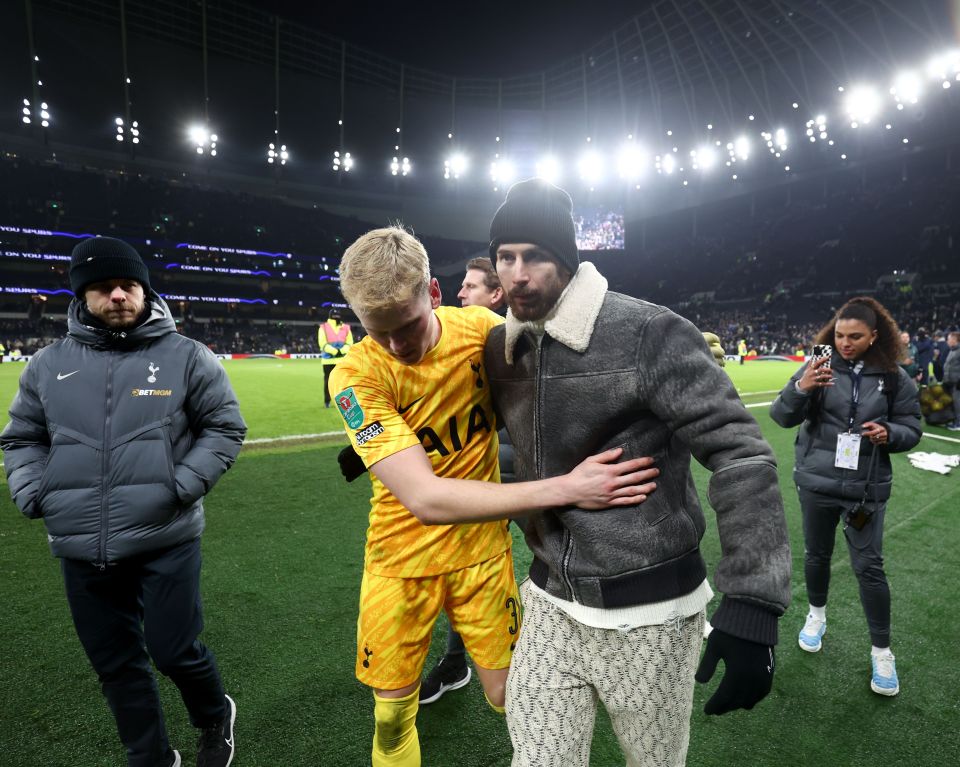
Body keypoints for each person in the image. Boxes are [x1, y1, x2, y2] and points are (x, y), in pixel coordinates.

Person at [483, 179, 791, 767]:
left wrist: (753, 601)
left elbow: (740, 453)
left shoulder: (648, 332)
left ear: (567, 261)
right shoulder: (502, 350)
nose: (517, 274)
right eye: (505, 256)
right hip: (550, 599)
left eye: (535, 256)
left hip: (650, 612)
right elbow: (504, 448)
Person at [328, 226, 658, 767]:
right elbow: (426, 499)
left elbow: (571, 367)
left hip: (481, 554)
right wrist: (568, 489)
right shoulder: (354, 376)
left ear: (434, 293)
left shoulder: (482, 332)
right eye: (376, 332)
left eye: (406, 327)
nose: (395, 347)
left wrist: (654, 357)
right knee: (390, 719)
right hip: (399, 560)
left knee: (513, 698)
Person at [1, 236, 246, 767]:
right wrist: (31, 488)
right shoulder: (47, 365)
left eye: (128, 285)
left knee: (173, 650)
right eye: (104, 287)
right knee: (115, 664)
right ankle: (151, 756)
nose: (118, 295)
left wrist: (179, 487)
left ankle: (212, 715)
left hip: (166, 535)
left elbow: (224, 427)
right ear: (81, 295)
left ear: (143, 290)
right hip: (78, 541)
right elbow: (22, 437)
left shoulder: (186, 356)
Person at [770, 296, 921, 696]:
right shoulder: (817, 367)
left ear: (875, 336)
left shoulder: (894, 378)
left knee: (869, 568)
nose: (845, 343)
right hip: (817, 482)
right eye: (839, 334)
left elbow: (912, 427)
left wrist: (891, 433)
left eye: (855, 336)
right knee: (816, 556)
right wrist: (802, 387)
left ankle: (882, 652)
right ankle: (816, 615)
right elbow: (781, 416)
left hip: (865, 488)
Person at [420, 256, 508, 705]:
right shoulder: (453, 342)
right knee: (465, 571)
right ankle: (457, 663)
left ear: (497, 295)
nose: (461, 293)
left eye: (471, 286)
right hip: (483, 487)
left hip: (530, 480)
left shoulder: (513, 342)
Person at [319, 307, 354, 407]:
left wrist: (341, 351)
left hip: (341, 360)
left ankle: (346, 403)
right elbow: (322, 343)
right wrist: (336, 351)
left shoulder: (346, 327)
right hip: (328, 361)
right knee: (328, 382)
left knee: (344, 382)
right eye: (335, 316)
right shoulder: (323, 327)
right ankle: (327, 401)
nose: (336, 317)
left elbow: (350, 342)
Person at [942, 331, 960, 430]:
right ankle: (954, 421)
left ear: (954, 340)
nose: (947, 341)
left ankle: (958, 423)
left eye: (949, 339)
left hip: (957, 382)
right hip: (949, 381)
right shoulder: (952, 350)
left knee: (957, 402)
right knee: (952, 402)